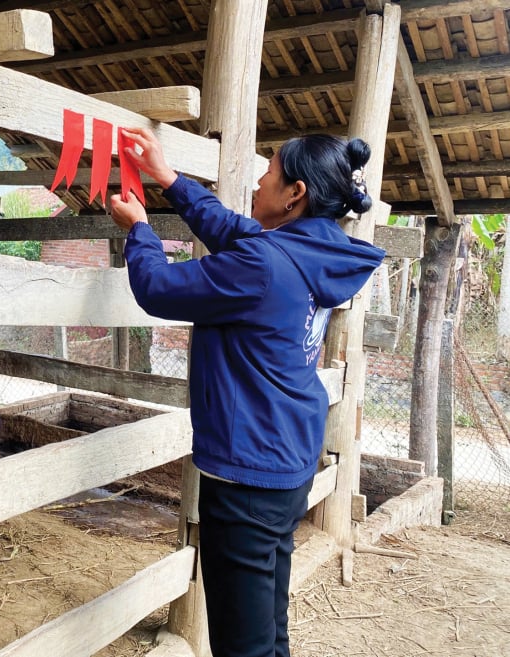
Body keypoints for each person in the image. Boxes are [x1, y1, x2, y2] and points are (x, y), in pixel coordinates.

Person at [108, 128, 386, 657]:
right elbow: (237, 231)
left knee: (243, 646)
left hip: (246, 476)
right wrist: (169, 180)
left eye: (270, 171)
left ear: (295, 194)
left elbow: (158, 289)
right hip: (286, 464)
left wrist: (140, 230)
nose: (259, 181)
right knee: (266, 629)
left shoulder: (264, 264)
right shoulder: (319, 252)